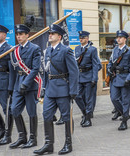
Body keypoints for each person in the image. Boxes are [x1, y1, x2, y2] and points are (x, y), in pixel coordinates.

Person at [33, 24, 78, 155]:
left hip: (63, 89)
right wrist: (44, 88)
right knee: (46, 115)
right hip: (50, 90)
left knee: (66, 117)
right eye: (49, 33)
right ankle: (48, 144)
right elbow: (46, 72)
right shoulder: (48, 51)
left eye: (52, 34)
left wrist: (73, 91)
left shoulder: (66, 50)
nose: (50, 35)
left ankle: (68, 144)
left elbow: (74, 72)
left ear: (59, 36)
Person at [9, 24, 41, 149]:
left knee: (31, 111)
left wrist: (25, 83)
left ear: (27, 35)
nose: (19, 36)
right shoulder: (15, 49)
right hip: (18, 82)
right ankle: (22, 137)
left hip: (30, 84)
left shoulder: (35, 48)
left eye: (21, 34)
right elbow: (3, 56)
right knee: (14, 109)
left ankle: (33, 139)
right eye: (17, 34)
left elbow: (35, 69)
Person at [107, 30, 130, 130]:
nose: (118, 39)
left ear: (125, 39)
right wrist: (109, 70)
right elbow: (111, 62)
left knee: (125, 100)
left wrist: (129, 78)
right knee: (114, 98)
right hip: (115, 78)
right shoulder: (115, 50)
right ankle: (124, 114)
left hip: (125, 78)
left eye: (120, 37)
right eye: (117, 37)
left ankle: (124, 121)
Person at [75, 31, 99, 127]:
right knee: (77, 96)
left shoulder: (92, 49)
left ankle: (88, 119)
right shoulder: (77, 49)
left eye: (83, 38)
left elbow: (95, 65)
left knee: (89, 99)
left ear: (87, 39)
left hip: (89, 76)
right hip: (79, 77)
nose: (81, 39)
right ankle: (85, 113)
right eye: (80, 38)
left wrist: (94, 78)